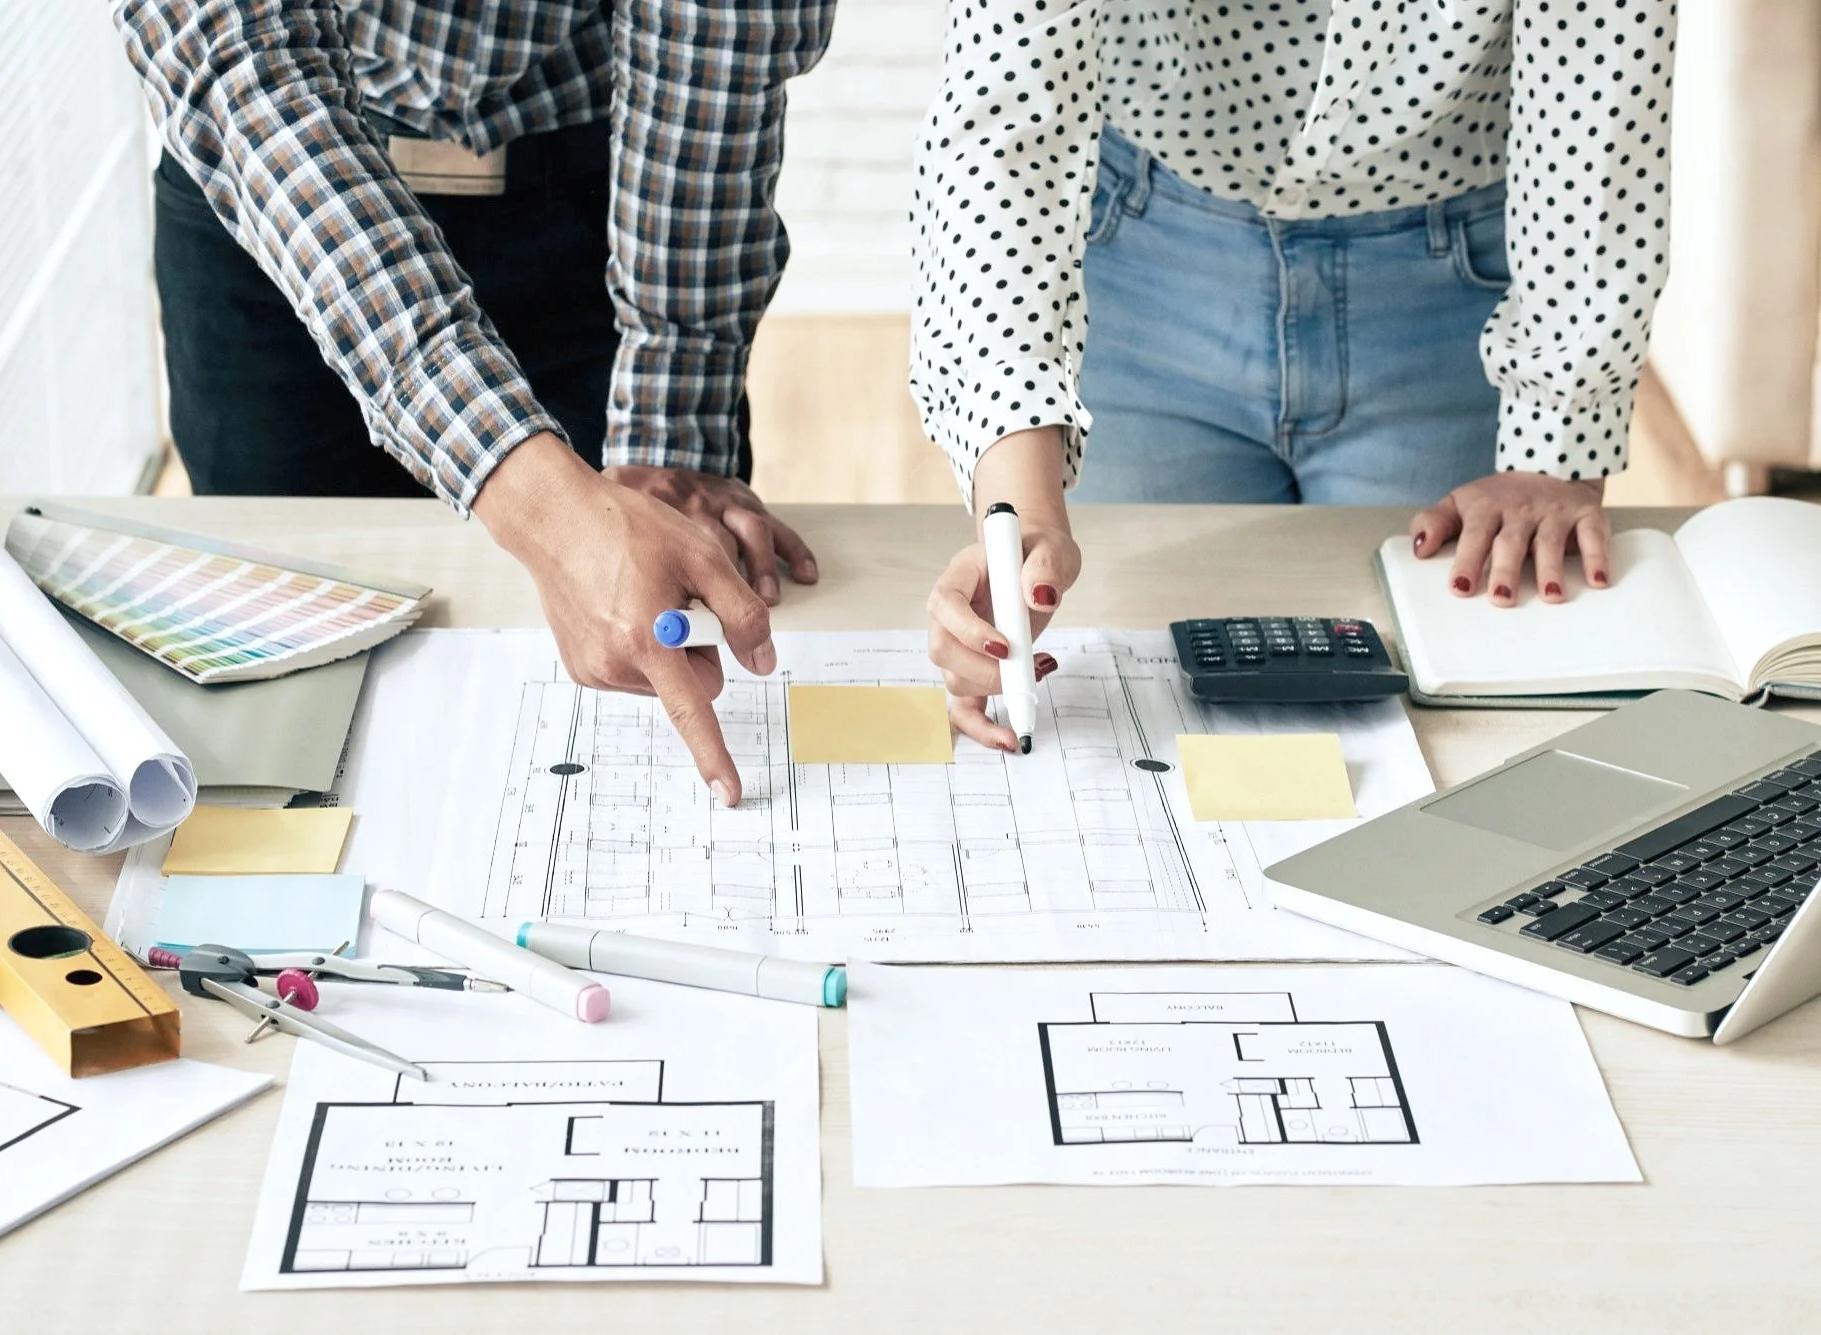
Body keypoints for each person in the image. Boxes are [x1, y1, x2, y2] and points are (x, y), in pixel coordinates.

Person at [114, 0, 835, 804]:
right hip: (282, 184)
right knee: (279, 679)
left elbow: (716, 35)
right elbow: (233, 45)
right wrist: (541, 502)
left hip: (612, 190)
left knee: (635, 670)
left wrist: (669, 435)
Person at [910, 1, 1676, 747]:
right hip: (1147, 258)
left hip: (1450, 294)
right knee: (1153, 708)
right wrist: (1022, 508)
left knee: (1447, 723)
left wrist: (1555, 439)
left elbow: (1599, 95)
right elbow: (1005, 115)